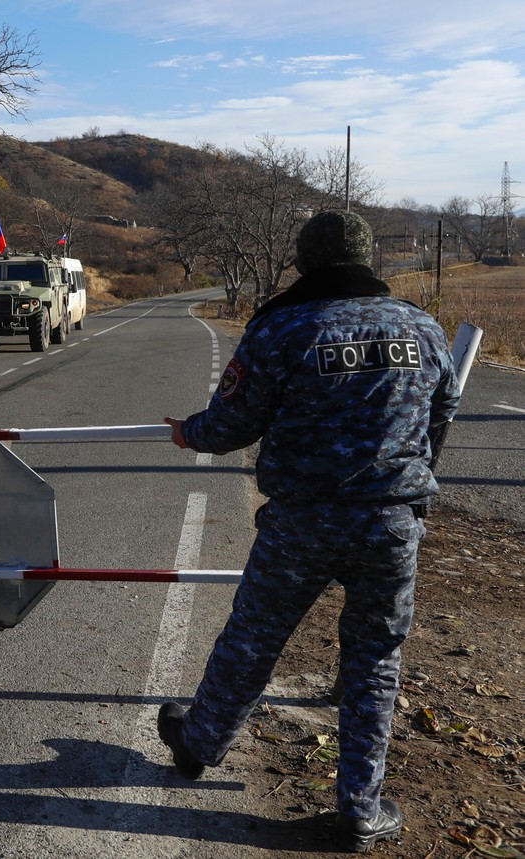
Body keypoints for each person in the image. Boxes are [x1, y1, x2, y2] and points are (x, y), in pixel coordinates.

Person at [159, 210, 461, 854]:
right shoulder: (422, 327)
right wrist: (408, 486)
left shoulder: (283, 327)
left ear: (303, 261)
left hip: (302, 521)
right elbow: (440, 421)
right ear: (367, 260)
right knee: (375, 659)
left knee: (253, 639)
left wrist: (189, 431)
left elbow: (231, 425)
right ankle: (360, 806)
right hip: (391, 522)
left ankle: (200, 742)